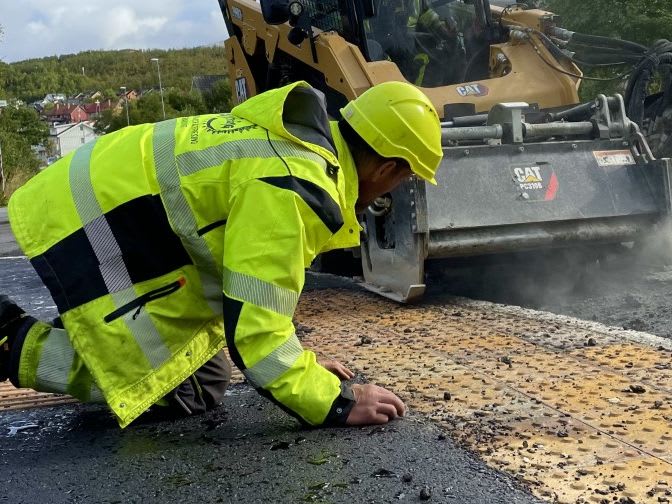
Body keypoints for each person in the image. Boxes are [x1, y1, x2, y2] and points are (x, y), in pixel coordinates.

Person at [0, 80, 443, 428]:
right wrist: (334, 400)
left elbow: (260, 284)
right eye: (402, 178)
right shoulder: (297, 187)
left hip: (101, 201)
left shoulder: (301, 144)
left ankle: (76, 330)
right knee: (159, 384)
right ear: (387, 169)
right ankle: (8, 341)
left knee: (206, 377)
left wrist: (298, 363)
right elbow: (256, 331)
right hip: (92, 220)